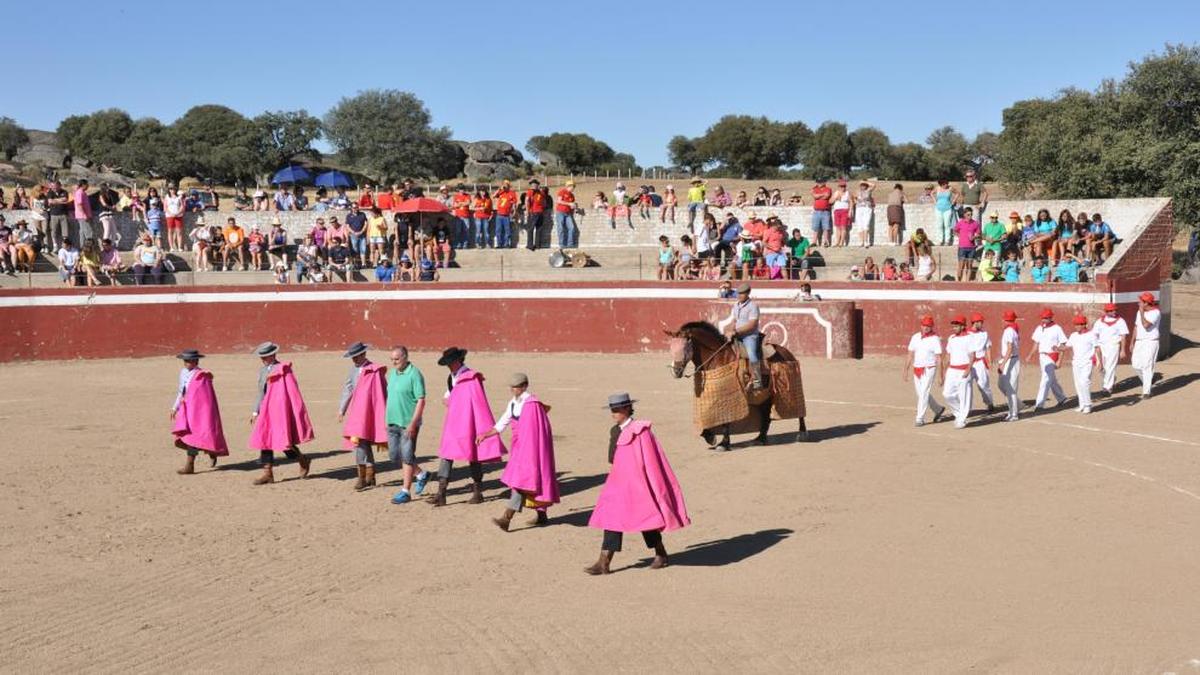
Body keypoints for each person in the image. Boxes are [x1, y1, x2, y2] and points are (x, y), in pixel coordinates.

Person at [584, 392, 690, 575]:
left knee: (645, 518)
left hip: (639, 482)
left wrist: (649, 483)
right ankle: (604, 562)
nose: (613, 413)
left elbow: (651, 461)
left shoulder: (641, 431)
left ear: (627, 408)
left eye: (616, 409)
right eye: (612, 409)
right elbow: (612, 458)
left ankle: (661, 552)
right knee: (612, 518)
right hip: (619, 481)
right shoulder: (615, 431)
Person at [479, 373, 560, 530]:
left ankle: (506, 518)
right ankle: (542, 516)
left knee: (521, 481)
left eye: (515, 387)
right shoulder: (514, 403)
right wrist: (485, 435)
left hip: (530, 449)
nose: (512, 389)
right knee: (531, 481)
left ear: (524, 386)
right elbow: (503, 422)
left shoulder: (532, 404)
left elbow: (534, 432)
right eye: (511, 387)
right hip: (521, 446)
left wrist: (529, 451)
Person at [429, 347, 506, 506]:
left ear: (458, 361)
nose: (448, 366)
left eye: (450, 363)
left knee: (473, 455)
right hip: (455, 421)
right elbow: (450, 395)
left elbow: (478, 403)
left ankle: (478, 492)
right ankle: (441, 493)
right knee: (447, 453)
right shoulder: (453, 377)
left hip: (470, 421)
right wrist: (449, 399)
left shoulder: (471, 378)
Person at [248, 342, 314, 485]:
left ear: (273, 355)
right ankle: (268, 473)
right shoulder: (262, 370)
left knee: (283, 441)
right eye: (261, 357)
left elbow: (291, 391)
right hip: (266, 409)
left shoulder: (284, 369)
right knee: (265, 440)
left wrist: (289, 410)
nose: (263, 359)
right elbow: (261, 392)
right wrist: (255, 411)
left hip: (280, 410)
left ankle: (302, 459)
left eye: (265, 356)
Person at [384, 346, 432, 505]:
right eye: (392, 359)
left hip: (407, 424)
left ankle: (405, 491)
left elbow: (421, 400)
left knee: (406, 457)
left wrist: (413, 423)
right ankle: (421, 474)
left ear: (405, 357)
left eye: (396, 359)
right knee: (394, 456)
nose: (394, 362)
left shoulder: (415, 374)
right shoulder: (392, 374)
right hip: (392, 422)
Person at [339, 342, 389, 491]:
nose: (353, 360)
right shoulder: (353, 370)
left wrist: (383, 413)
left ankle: (365, 477)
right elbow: (348, 389)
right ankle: (367, 476)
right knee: (360, 442)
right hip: (357, 412)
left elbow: (382, 393)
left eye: (355, 356)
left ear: (363, 354)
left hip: (371, 411)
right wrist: (342, 409)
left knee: (363, 443)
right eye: (352, 357)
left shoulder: (375, 370)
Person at [171, 349, 228, 475]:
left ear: (196, 361)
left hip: (200, 412)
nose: (186, 363)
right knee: (188, 436)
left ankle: (190, 465)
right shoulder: (183, 373)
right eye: (185, 360)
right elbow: (181, 391)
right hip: (187, 409)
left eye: (189, 360)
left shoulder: (202, 375)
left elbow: (206, 398)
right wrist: (175, 407)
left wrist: (205, 413)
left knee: (193, 436)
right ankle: (210, 451)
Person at [904, 315, 945, 426]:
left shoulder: (935, 339)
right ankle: (938, 409)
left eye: (928, 326)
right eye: (924, 325)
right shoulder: (915, 337)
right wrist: (906, 370)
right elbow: (910, 354)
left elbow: (939, 358)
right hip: (917, 368)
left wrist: (941, 375)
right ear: (921, 325)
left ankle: (920, 418)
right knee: (921, 393)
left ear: (932, 327)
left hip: (929, 368)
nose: (926, 328)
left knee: (923, 393)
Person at [1027, 308, 1068, 410]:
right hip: (1042, 356)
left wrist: (1060, 360)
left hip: (1052, 355)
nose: (1044, 320)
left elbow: (1063, 344)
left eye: (1046, 318)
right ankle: (1061, 398)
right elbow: (1036, 343)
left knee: (1045, 379)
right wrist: (1030, 355)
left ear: (1051, 318)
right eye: (1043, 318)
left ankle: (1039, 404)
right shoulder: (1039, 328)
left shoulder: (1057, 328)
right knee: (1051, 378)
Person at [725, 282, 764, 390]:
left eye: (742, 293)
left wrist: (736, 331)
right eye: (738, 293)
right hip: (737, 334)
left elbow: (752, 324)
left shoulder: (753, 306)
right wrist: (731, 329)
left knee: (751, 354)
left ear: (748, 293)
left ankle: (757, 380)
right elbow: (735, 320)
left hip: (749, 336)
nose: (739, 296)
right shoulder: (736, 305)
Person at [941, 316, 975, 429]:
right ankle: (959, 413)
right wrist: (944, 371)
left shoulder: (970, 338)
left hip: (964, 369)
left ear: (963, 326)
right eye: (953, 326)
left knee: (964, 396)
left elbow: (972, 355)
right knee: (947, 394)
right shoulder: (952, 338)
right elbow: (948, 355)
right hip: (952, 369)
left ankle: (961, 419)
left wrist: (968, 369)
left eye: (957, 326)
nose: (954, 328)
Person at [1091, 303, 1130, 397]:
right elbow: (1094, 335)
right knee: (1100, 367)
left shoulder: (1120, 321)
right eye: (1111, 310)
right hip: (1100, 346)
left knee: (1110, 367)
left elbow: (1123, 336)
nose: (1114, 312)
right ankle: (1111, 379)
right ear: (1106, 312)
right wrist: (1094, 346)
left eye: (1115, 310)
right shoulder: (1099, 321)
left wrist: (1123, 350)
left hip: (1113, 346)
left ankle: (1107, 388)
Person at [1064, 315, 1100, 414]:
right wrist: (1057, 348)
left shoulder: (1091, 335)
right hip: (1076, 362)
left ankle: (1088, 405)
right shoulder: (1073, 335)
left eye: (1079, 324)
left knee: (1084, 382)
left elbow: (1097, 348)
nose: (1077, 326)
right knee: (1078, 384)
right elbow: (1067, 346)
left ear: (1085, 325)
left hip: (1087, 362)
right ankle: (1082, 404)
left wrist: (1099, 362)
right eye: (1076, 324)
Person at [1131, 292, 1160, 400]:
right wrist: (1132, 342)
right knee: (1136, 365)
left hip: (1151, 341)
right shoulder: (1139, 312)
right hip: (1139, 341)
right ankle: (1148, 381)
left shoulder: (1156, 312)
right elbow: (1136, 326)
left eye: (1140, 301)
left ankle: (1146, 392)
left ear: (1146, 303)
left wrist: (1142, 312)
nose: (1138, 303)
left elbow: (1146, 325)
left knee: (1147, 365)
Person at [967, 312, 996, 411]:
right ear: (974, 322)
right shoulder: (966, 334)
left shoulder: (984, 334)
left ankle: (989, 403)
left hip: (980, 362)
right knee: (967, 386)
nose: (982, 324)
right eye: (980, 322)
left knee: (983, 385)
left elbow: (988, 348)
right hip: (968, 363)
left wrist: (990, 361)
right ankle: (966, 408)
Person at [996, 310, 1022, 421]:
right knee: (1002, 385)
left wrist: (1003, 363)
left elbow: (1010, 348)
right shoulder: (1013, 329)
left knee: (1010, 388)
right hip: (1009, 359)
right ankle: (1018, 405)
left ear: (1005, 320)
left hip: (1011, 360)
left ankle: (1013, 414)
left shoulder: (1009, 331)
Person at [954, 207, 981, 281]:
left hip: (971, 248)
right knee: (961, 266)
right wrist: (960, 236)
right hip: (962, 247)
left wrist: (974, 237)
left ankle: (967, 282)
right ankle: (959, 282)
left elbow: (978, 234)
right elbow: (954, 231)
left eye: (971, 214)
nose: (970, 216)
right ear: (964, 214)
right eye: (968, 215)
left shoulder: (975, 223)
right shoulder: (960, 222)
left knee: (969, 266)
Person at [46, 179, 71, 252]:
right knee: (54, 231)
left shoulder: (64, 192)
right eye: (52, 186)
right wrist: (60, 201)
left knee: (65, 231)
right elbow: (50, 201)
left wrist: (55, 201)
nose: (54, 188)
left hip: (63, 214)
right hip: (54, 215)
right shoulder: (50, 192)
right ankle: (55, 246)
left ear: (59, 186)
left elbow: (65, 199)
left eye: (55, 186)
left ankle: (65, 245)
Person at [523, 179, 547, 250]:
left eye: (534, 184)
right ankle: (537, 245)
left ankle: (530, 245)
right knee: (538, 229)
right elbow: (544, 202)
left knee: (531, 229)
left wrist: (527, 211)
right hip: (538, 212)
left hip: (534, 212)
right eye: (532, 184)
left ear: (537, 185)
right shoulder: (541, 192)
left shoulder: (531, 192)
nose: (533, 186)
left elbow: (527, 201)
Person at [554, 180, 578, 249]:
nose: (573, 188)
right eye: (572, 187)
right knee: (560, 228)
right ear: (568, 186)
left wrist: (575, 207)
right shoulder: (562, 192)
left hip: (568, 213)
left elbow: (572, 204)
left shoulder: (572, 195)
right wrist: (569, 203)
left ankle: (570, 244)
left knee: (572, 228)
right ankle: (562, 245)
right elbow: (559, 201)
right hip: (560, 212)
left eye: (574, 187)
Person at [493, 181, 517, 248]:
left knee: (507, 230)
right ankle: (499, 244)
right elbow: (494, 196)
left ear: (509, 186)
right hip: (499, 214)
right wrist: (499, 189)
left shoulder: (512, 193)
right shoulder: (501, 192)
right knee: (498, 230)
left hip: (506, 215)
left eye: (506, 185)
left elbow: (514, 203)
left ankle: (506, 244)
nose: (505, 186)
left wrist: (514, 212)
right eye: (504, 184)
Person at [932, 179, 956, 245]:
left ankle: (947, 241)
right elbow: (931, 193)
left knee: (947, 225)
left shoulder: (950, 188)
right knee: (939, 225)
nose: (946, 185)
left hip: (948, 208)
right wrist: (934, 201)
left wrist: (953, 201)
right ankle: (940, 240)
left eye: (946, 183)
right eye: (944, 184)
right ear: (941, 184)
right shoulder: (937, 188)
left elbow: (957, 193)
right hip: (938, 208)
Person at [163, 185, 186, 252]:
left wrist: (177, 213)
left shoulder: (179, 197)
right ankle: (171, 247)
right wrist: (171, 214)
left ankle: (180, 247)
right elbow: (165, 207)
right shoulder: (167, 197)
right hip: (169, 216)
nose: (172, 190)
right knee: (170, 231)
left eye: (173, 189)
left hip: (178, 216)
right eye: (170, 189)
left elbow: (182, 206)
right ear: (169, 190)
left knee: (179, 232)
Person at [811, 179, 832, 247]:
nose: (819, 183)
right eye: (818, 182)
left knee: (826, 227)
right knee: (815, 227)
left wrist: (818, 196)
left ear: (824, 182)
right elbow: (815, 196)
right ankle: (814, 242)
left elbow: (827, 196)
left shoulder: (828, 189)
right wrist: (822, 195)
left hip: (825, 211)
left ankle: (826, 242)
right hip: (816, 211)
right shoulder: (815, 189)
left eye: (821, 182)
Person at [73, 179, 95, 244]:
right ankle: (89, 247)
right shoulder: (80, 192)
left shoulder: (81, 192)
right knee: (88, 231)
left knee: (82, 232)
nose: (88, 186)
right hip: (83, 216)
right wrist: (84, 215)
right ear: (83, 185)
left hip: (82, 215)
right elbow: (79, 204)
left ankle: (82, 247)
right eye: (87, 184)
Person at [854, 180, 875, 247]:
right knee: (860, 225)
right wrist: (855, 201)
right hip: (859, 208)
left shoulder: (868, 191)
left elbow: (874, 185)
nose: (863, 186)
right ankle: (861, 241)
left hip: (867, 208)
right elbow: (854, 198)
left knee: (866, 224)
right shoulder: (857, 191)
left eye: (864, 185)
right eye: (862, 185)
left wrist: (865, 182)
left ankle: (866, 241)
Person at [831, 178, 852, 247]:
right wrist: (835, 198)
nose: (842, 188)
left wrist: (850, 211)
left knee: (843, 227)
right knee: (837, 227)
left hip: (844, 210)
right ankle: (837, 241)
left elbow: (851, 202)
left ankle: (841, 242)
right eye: (841, 186)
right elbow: (830, 201)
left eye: (844, 186)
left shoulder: (847, 193)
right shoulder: (836, 193)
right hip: (837, 211)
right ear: (839, 187)